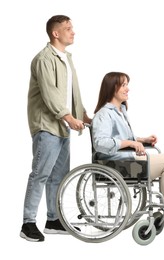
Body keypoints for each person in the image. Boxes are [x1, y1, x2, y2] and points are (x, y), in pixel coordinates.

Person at [91, 71, 164, 229]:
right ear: (112, 88)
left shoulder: (120, 112)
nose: (128, 89)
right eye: (124, 85)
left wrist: (142, 140)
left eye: (127, 85)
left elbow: (123, 137)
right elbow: (100, 143)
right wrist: (130, 143)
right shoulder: (104, 114)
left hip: (127, 160)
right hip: (117, 164)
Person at [20, 15, 91, 242]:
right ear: (55, 33)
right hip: (47, 126)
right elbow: (51, 95)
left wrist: (83, 115)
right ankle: (28, 224)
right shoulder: (44, 59)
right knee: (40, 174)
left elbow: (71, 94)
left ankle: (53, 220)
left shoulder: (66, 58)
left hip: (63, 126)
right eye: (68, 28)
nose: (74, 32)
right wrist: (69, 118)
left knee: (59, 176)